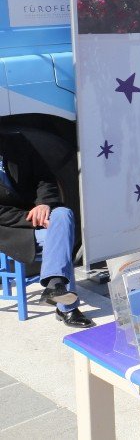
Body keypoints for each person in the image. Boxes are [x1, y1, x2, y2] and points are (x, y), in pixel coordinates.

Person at [0, 132, 94, 328]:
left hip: (38, 216)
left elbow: (45, 178)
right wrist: (32, 218)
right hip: (10, 228)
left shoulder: (15, 141)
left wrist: (44, 204)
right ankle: (66, 308)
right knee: (61, 237)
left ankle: (55, 285)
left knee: (63, 215)